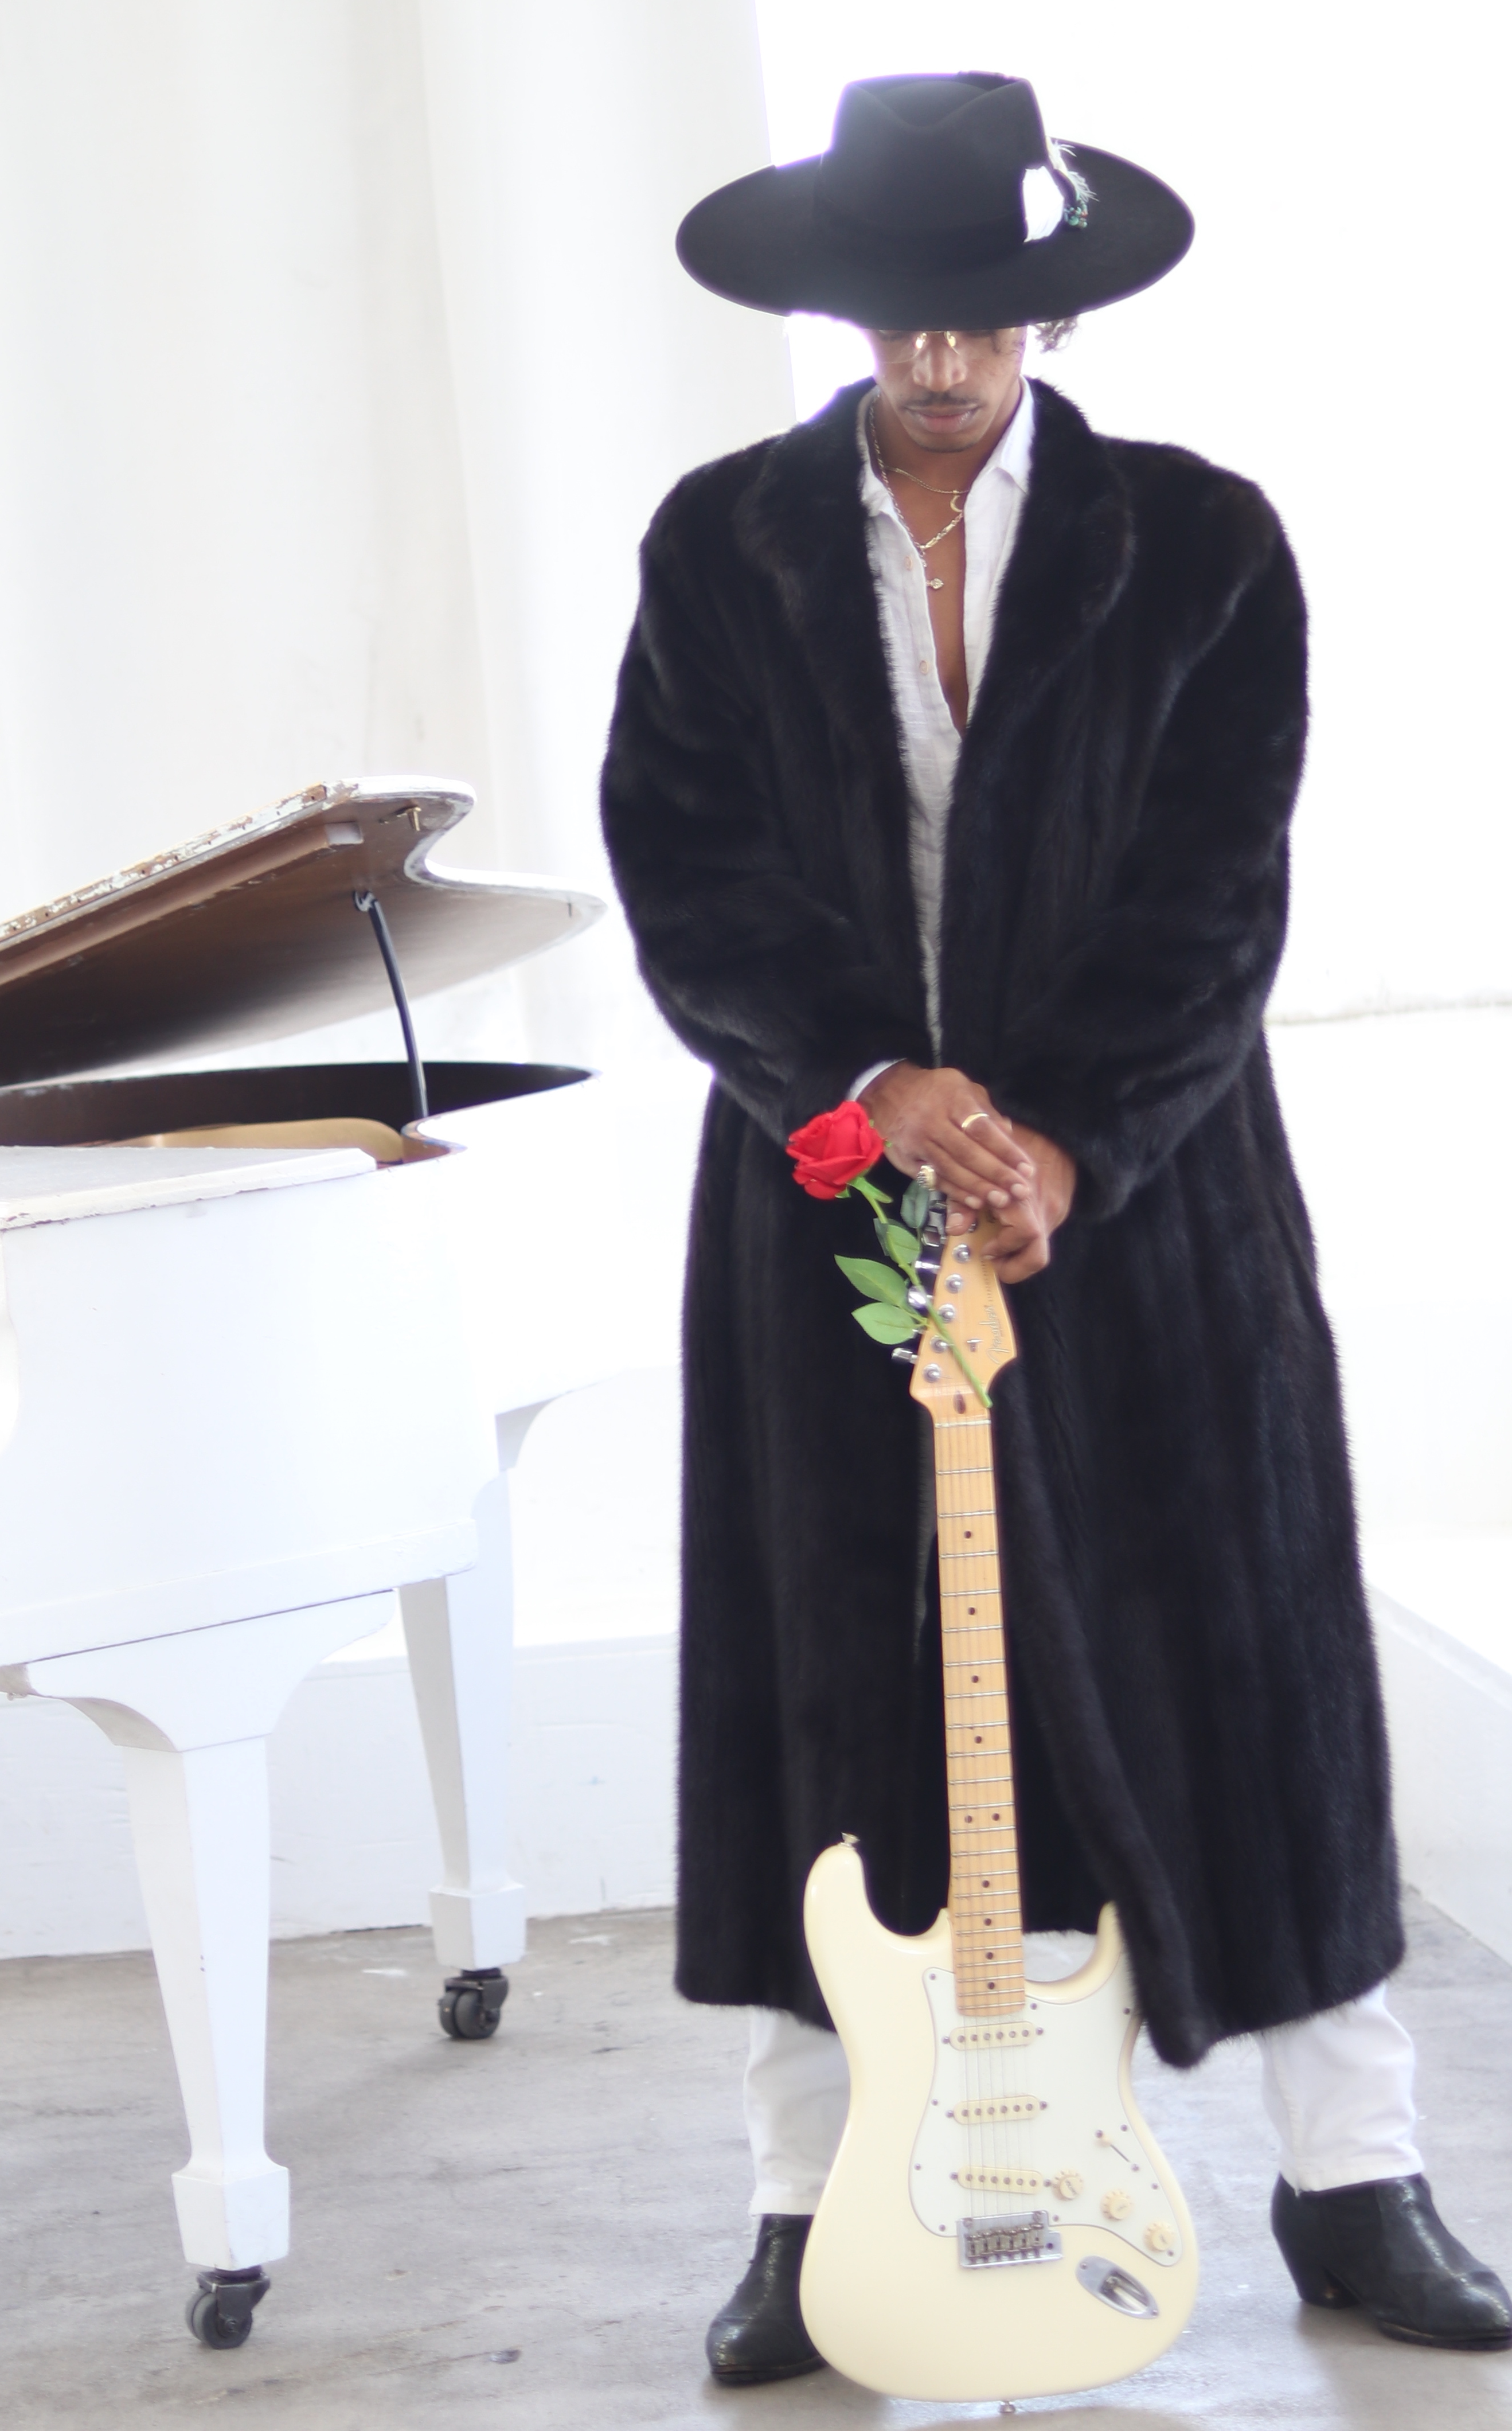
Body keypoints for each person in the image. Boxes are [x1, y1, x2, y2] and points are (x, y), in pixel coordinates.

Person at [600, 71, 1511, 2385]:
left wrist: (1065, 1141)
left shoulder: (1199, 543)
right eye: (904, 317)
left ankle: (1358, 2174)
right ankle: (804, 2205)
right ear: (842, 309)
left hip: (1155, 1193)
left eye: (986, 319)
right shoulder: (720, 546)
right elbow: (685, 866)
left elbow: (1221, 884)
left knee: (1250, 1649)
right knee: (828, 1677)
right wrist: (871, 1086)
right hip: (828, 1187)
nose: (943, 361)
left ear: (1056, 312)